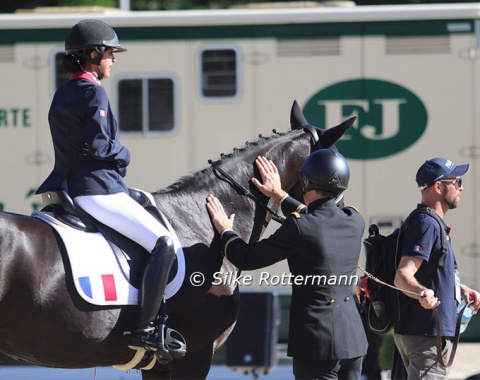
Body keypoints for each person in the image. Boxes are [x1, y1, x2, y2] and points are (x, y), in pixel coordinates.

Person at [35, 19, 185, 360]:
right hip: (98, 190)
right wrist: (125, 152)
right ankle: (146, 328)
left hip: (73, 188)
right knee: (164, 243)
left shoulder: (63, 92)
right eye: (109, 53)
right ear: (93, 54)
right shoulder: (94, 92)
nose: (113, 60)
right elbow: (101, 148)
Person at [207, 150, 368, 379]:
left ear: (306, 182)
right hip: (353, 340)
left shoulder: (300, 227)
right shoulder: (354, 220)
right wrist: (279, 195)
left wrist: (226, 232)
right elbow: (316, 217)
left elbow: (247, 258)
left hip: (317, 344)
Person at [393, 157, 480, 379]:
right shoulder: (427, 224)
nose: (461, 187)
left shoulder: (428, 222)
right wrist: (422, 293)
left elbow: (431, 273)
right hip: (426, 335)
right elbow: (403, 275)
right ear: (438, 187)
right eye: (456, 181)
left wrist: (459, 290)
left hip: (423, 332)